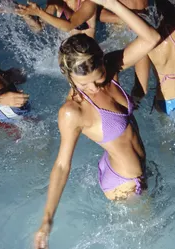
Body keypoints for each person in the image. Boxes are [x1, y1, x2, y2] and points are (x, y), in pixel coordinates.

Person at [33, 0, 160, 248]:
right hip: (124, 187)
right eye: (83, 84)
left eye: (98, 78)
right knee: (150, 241)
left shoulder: (111, 65)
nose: (93, 88)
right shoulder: (72, 111)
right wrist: (47, 219)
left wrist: (111, 3)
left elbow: (151, 37)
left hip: (124, 166)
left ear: (102, 61)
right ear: (69, 76)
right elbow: (61, 165)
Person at [13, 0, 97, 38]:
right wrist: (26, 15)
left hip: (87, 57)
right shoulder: (55, 2)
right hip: (66, 58)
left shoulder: (89, 3)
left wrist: (39, 12)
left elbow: (69, 26)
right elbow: (38, 28)